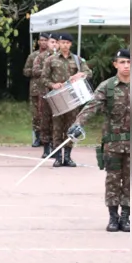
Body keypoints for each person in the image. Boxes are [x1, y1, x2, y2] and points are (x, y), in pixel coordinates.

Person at [68, 49, 130, 232]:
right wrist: (78, 123)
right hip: (113, 144)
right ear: (115, 64)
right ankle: (113, 217)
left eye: (129, 62)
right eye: (122, 62)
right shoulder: (107, 86)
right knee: (112, 181)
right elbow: (92, 106)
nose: (126, 66)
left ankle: (126, 217)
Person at [40, 33, 92, 167]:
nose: (64, 45)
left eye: (67, 43)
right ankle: (58, 157)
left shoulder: (77, 59)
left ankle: (68, 156)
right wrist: (53, 85)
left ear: (70, 44)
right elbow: (43, 78)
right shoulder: (50, 60)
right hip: (57, 98)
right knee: (57, 128)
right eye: (62, 42)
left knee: (71, 127)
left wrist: (82, 74)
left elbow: (89, 72)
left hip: (73, 98)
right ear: (58, 43)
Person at [24, 32, 49, 147]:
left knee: (48, 114)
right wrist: (35, 72)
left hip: (48, 89)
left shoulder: (52, 55)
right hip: (35, 89)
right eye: (41, 40)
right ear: (38, 42)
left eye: (46, 40)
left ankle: (48, 138)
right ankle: (38, 138)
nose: (43, 42)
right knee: (36, 115)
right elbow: (26, 71)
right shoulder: (33, 56)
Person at [37, 34, 59, 157]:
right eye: (52, 42)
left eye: (56, 42)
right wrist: (47, 70)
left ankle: (56, 148)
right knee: (45, 121)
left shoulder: (62, 58)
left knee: (58, 122)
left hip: (59, 94)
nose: (54, 44)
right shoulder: (41, 57)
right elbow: (35, 71)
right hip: (45, 93)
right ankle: (46, 148)